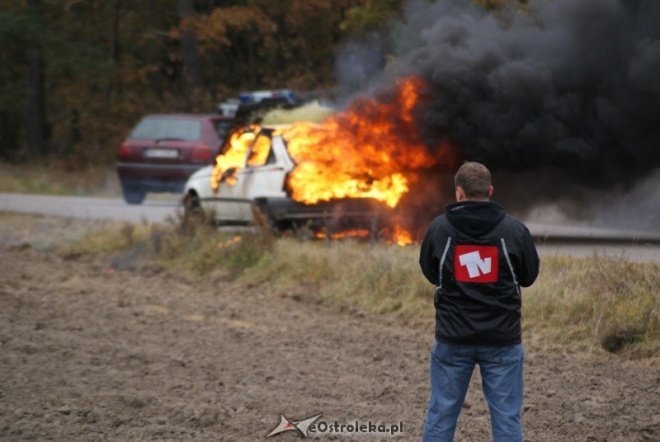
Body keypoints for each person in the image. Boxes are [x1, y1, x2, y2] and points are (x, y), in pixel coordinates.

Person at [419, 161, 539, 442]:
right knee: (506, 418)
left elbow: (430, 272)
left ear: (459, 192)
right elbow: (529, 277)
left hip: (452, 338)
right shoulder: (514, 231)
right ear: (490, 191)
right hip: (502, 340)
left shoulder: (439, 229)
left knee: (441, 415)